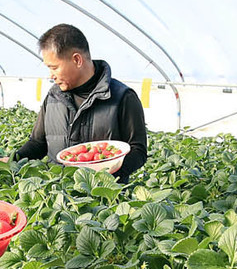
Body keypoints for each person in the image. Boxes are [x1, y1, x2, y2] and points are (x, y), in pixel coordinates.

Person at [13, 24, 148, 182]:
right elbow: (37, 143)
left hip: (106, 201)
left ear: (77, 60)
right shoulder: (53, 97)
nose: (51, 76)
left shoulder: (122, 97)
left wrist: (105, 177)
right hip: (58, 198)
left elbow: (138, 151)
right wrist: (11, 161)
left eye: (54, 67)